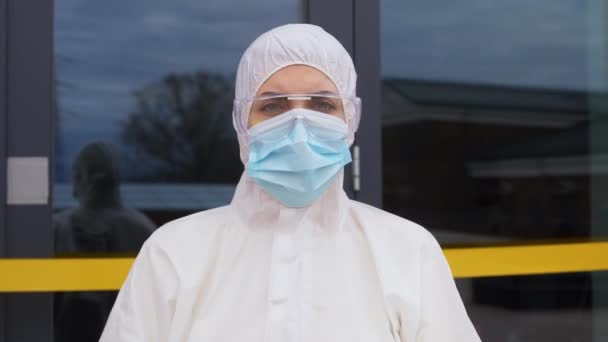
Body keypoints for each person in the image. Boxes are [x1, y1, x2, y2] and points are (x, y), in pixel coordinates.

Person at [100, 24, 481, 342]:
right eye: (273, 106)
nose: (299, 127)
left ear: (350, 120)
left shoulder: (406, 250)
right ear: (241, 123)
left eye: (321, 105)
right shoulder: (174, 251)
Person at [53, 142, 156, 342]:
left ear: (87, 178)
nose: (74, 187)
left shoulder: (56, 229)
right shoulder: (145, 230)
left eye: (76, 176)